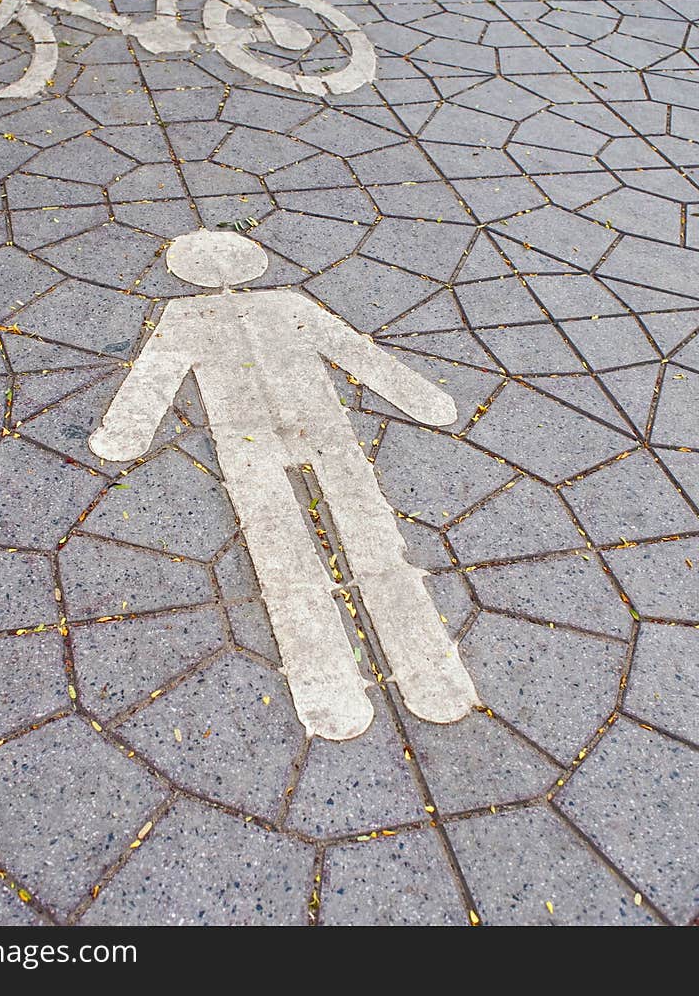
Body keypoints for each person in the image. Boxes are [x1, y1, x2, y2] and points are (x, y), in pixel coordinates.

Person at [90, 229, 478, 740]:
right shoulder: (277, 303)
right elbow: (355, 351)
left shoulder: (185, 314)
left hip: (247, 440)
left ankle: (329, 678)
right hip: (318, 429)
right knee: (366, 528)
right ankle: (425, 670)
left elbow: (153, 374)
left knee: (280, 541)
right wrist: (421, 398)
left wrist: (127, 432)